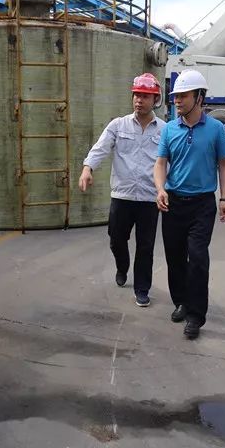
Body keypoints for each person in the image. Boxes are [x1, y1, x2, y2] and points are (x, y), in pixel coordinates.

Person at [153, 69, 225, 339]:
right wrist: (160, 189)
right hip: (173, 203)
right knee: (175, 258)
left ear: (199, 97)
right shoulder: (169, 129)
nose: (177, 100)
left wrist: (224, 197)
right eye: (175, 96)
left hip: (202, 204)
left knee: (197, 257)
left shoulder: (216, 129)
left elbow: (224, 163)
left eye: (183, 96)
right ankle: (182, 302)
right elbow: (160, 163)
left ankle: (196, 315)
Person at [79, 72, 166, 307]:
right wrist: (87, 168)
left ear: (155, 99)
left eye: (145, 96)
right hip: (122, 196)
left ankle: (142, 289)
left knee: (145, 247)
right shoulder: (118, 125)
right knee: (116, 239)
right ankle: (122, 265)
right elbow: (100, 148)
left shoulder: (164, 130)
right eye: (136, 95)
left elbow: (171, 161)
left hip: (149, 198)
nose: (139, 100)